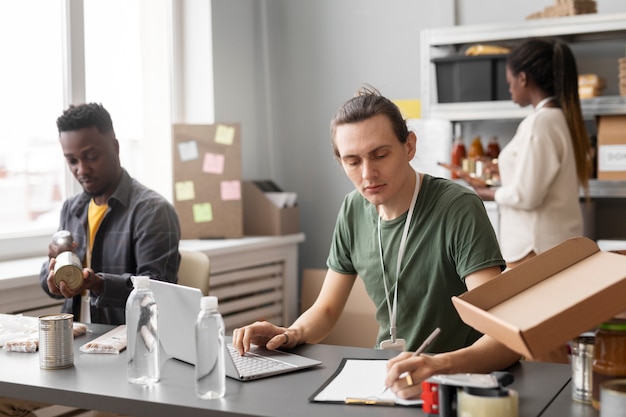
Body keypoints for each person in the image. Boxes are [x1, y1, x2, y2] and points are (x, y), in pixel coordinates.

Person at [233, 86, 520, 400]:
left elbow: (503, 336)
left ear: (409, 146)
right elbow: (327, 309)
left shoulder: (457, 207)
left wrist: (437, 366)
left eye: (380, 155)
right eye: (353, 161)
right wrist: (289, 334)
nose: (368, 174)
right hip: (388, 379)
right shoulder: (353, 209)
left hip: (459, 382)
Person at [469, 38, 592, 269]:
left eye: (509, 82)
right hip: (551, 246)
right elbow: (542, 175)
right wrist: (503, 168)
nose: (510, 90)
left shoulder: (540, 123)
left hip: (535, 250)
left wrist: (488, 194)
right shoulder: (559, 119)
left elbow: (527, 195)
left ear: (523, 78)